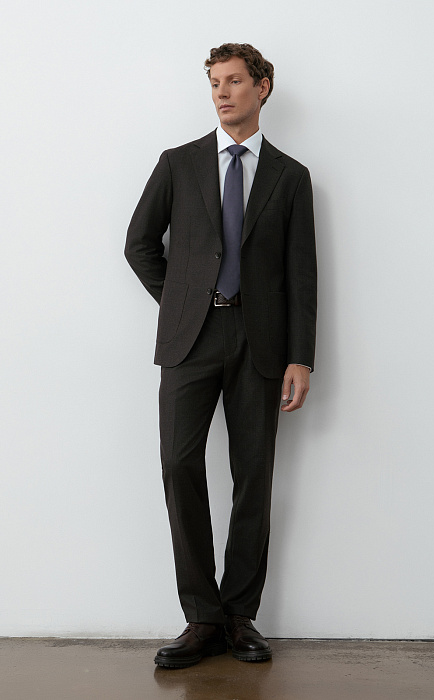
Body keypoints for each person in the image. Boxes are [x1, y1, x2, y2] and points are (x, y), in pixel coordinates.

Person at [124, 43, 317, 669]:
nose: (222, 93)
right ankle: (201, 616)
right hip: (192, 339)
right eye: (214, 83)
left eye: (234, 81)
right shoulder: (178, 163)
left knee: (253, 475)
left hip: (262, 344)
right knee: (179, 465)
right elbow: (139, 243)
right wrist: (183, 304)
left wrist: (301, 357)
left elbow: (301, 274)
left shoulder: (290, 177)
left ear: (262, 87)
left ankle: (239, 615)